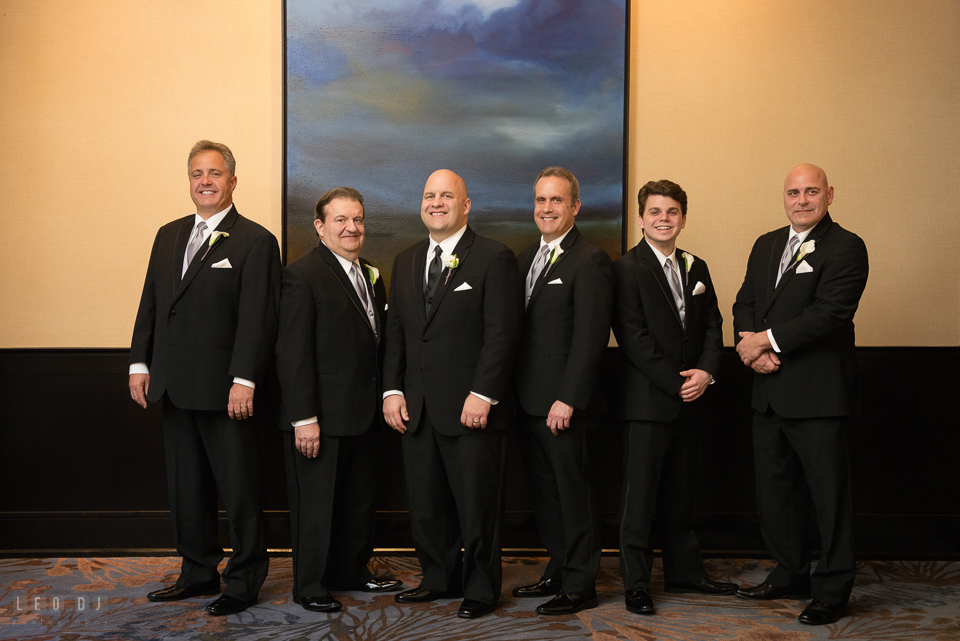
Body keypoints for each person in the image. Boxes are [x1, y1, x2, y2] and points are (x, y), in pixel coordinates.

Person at [129, 140, 280, 616]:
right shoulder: (167, 235)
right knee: (186, 489)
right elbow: (151, 303)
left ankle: (244, 580)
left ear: (232, 181)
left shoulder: (256, 241)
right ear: (190, 181)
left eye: (215, 173)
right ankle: (196, 572)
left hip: (226, 391)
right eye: (197, 173)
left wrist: (245, 379)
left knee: (239, 491)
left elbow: (259, 319)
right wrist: (140, 363)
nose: (205, 181)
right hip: (172, 385)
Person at [382, 169, 523, 619]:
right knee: (426, 505)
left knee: (478, 506)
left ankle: (480, 589)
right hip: (417, 407)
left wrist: (484, 393)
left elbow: (502, 335)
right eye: (429, 195)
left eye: (447, 195)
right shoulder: (404, 260)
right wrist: (391, 390)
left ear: (466, 205)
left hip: (472, 409)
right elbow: (399, 333)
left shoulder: (494, 258)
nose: (436, 202)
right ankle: (439, 577)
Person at [732, 163, 868, 625]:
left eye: (811, 191)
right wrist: (749, 347)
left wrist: (764, 342)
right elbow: (744, 301)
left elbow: (829, 313)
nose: (801, 200)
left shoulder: (847, 246)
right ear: (784, 197)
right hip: (767, 391)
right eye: (793, 192)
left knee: (829, 498)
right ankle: (790, 571)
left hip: (818, 397)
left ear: (829, 194)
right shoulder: (766, 244)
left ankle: (832, 589)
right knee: (777, 494)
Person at [275, 187, 402, 613]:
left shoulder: (371, 273)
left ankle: (351, 571)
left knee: (358, 501)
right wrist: (303, 418)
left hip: (364, 413)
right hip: (321, 418)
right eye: (341, 220)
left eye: (358, 219)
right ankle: (309, 584)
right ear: (320, 227)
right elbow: (293, 354)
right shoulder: (301, 274)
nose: (352, 228)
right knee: (316, 505)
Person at [612, 179, 736, 616]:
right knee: (639, 499)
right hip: (648, 402)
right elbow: (632, 336)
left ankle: (686, 572)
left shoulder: (696, 266)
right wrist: (676, 381)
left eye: (672, 212)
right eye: (655, 212)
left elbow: (712, 325)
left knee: (684, 494)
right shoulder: (626, 268)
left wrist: (706, 372)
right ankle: (638, 584)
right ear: (642, 218)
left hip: (694, 396)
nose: (664, 219)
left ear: (683, 217)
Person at [512, 167, 612, 615]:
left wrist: (568, 398)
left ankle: (581, 584)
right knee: (546, 495)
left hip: (564, 405)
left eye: (556, 201)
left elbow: (591, 337)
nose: (546, 209)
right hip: (527, 401)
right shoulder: (523, 259)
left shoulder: (589, 260)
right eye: (540, 200)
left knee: (575, 496)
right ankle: (558, 568)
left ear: (575, 206)